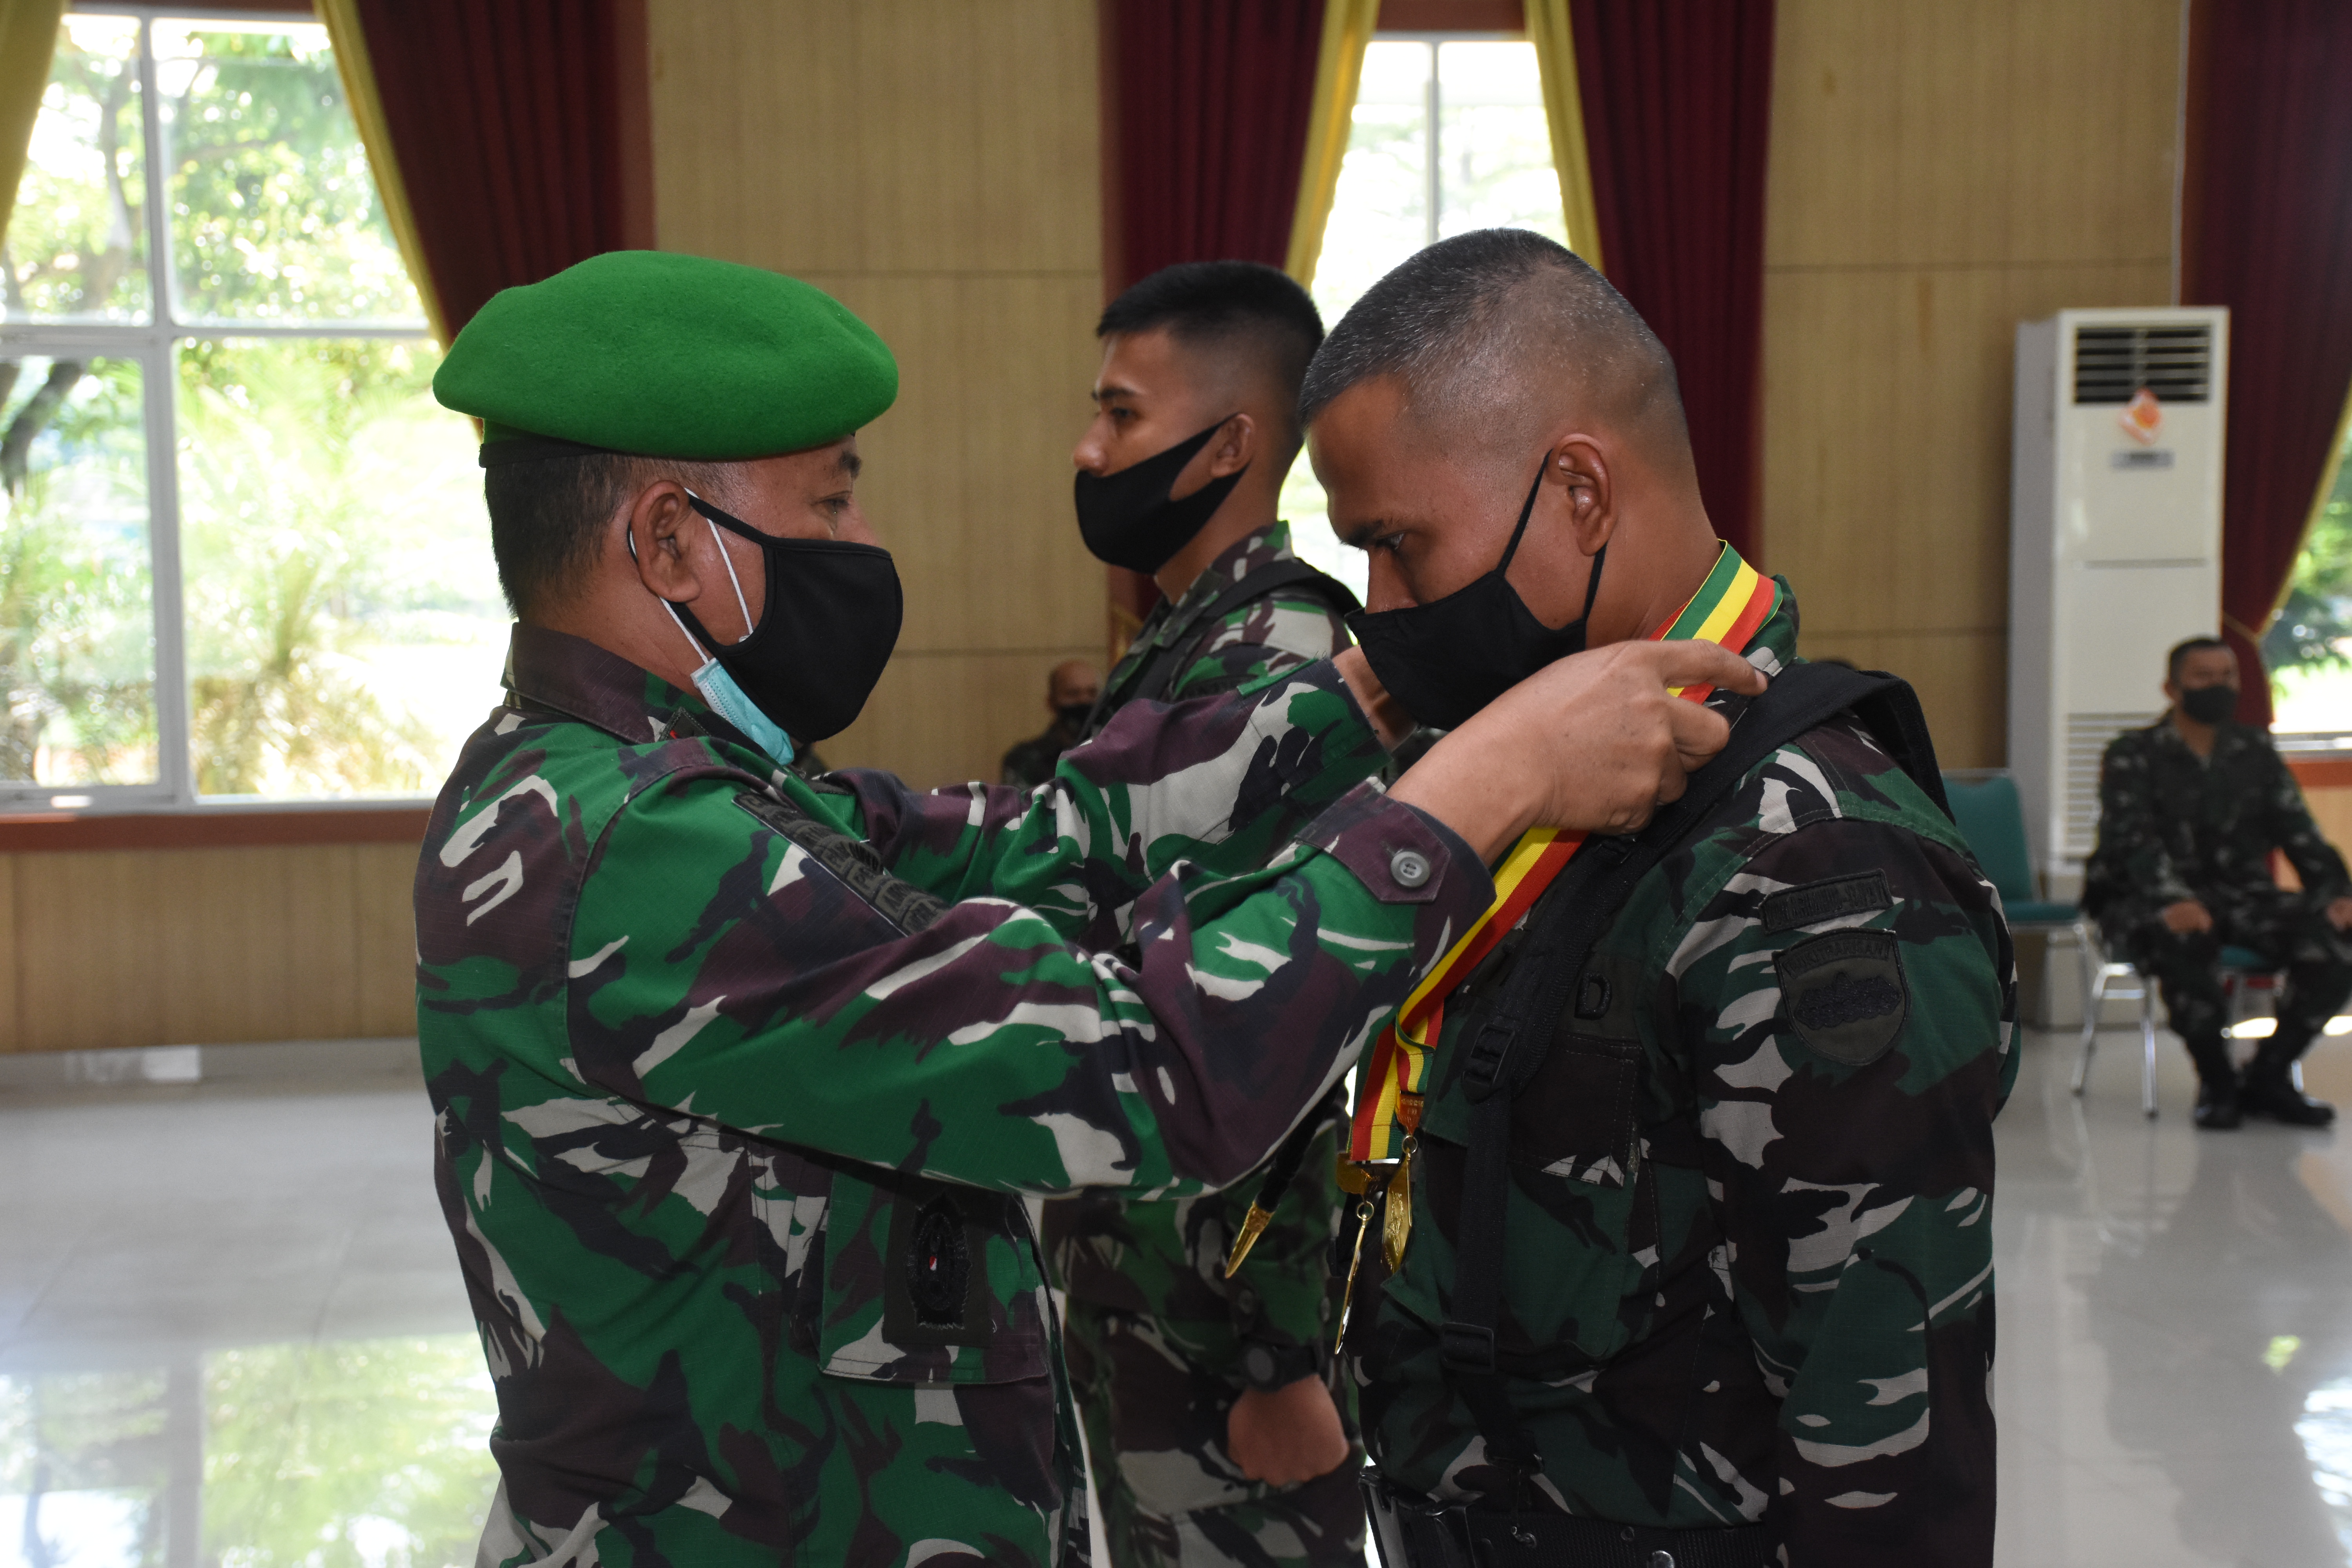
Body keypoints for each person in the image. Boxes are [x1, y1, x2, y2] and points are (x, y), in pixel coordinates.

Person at [414, 248, 1764, 1566]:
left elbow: (1044, 841)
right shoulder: (642, 853)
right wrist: (1484, 785)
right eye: (830, 504)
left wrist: (1364, 695)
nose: (860, 544)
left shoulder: (645, 785)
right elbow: (1146, 1064)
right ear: (668, 541)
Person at [1300, 230, 2016, 1566]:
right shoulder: (1531, 790)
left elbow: (1885, 1448)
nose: (1380, 606)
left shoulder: (1812, 866)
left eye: (1398, 545)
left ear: (1579, 491)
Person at [1047, 260, 1367, 1568]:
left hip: (1228, 1319)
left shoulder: (1279, 662)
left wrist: (1283, 1355)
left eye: (1121, 413)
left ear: (1231, 444)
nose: (1088, 448)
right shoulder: (1189, 645)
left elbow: (1298, 1013)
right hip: (1149, 1275)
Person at [2082, 635, 2351, 1129]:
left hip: (2243, 897)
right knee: (2184, 939)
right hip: (2147, 899)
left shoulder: (2255, 751)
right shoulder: (2133, 754)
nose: (2218, 686)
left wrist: (2337, 894)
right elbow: (2130, 841)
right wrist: (2173, 899)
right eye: (2203, 676)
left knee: (2338, 936)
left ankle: (2269, 1075)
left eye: (2227, 676)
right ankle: (2217, 1082)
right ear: (2172, 688)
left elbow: (2299, 832)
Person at [1001, 659, 1102, 787]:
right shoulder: (1024, 759)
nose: (1084, 701)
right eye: (1073, 694)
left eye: (1092, 693)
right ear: (1051, 702)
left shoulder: (1111, 752)